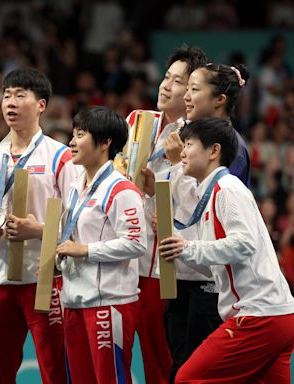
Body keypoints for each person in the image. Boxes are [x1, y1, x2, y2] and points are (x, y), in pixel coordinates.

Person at [158, 117, 294, 383]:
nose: (182, 152)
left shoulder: (227, 188)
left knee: (187, 378)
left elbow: (244, 243)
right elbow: (215, 261)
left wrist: (187, 247)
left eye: (189, 144)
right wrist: (180, 246)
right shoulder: (212, 193)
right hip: (275, 314)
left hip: (259, 315)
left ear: (213, 151)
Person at [0, 67, 78, 384]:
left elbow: (78, 225)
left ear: (41, 105)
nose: (11, 103)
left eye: (20, 95)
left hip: (44, 279)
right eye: (6, 96)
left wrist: (39, 230)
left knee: (56, 370)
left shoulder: (62, 157)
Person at [158, 60, 252, 382]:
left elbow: (214, 214)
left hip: (210, 280)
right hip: (180, 272)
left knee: (195, 371)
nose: (185, 94)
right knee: (179, 365)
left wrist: (175, 165)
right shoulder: (187, 136)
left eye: (194, 89)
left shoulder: (231, 150)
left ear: (219, 100)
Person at [124, 45, 208, 384]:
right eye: (166, 77)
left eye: (177, 81)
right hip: (127, 261)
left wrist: (164, 178)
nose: (165, 85)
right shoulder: (137, 122)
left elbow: (201, 203)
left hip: (168, 269)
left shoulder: (200, 138)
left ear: (191, 92)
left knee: (162, 361)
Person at [56, 106, 146, 383]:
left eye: (80, 135)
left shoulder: (121, 190)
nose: (72, 142)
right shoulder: (75, 186)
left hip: (109, 302)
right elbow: (69, 235)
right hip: (73, 299)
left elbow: (136, 243)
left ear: (105, 142)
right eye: (73, 134)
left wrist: (84, 250)